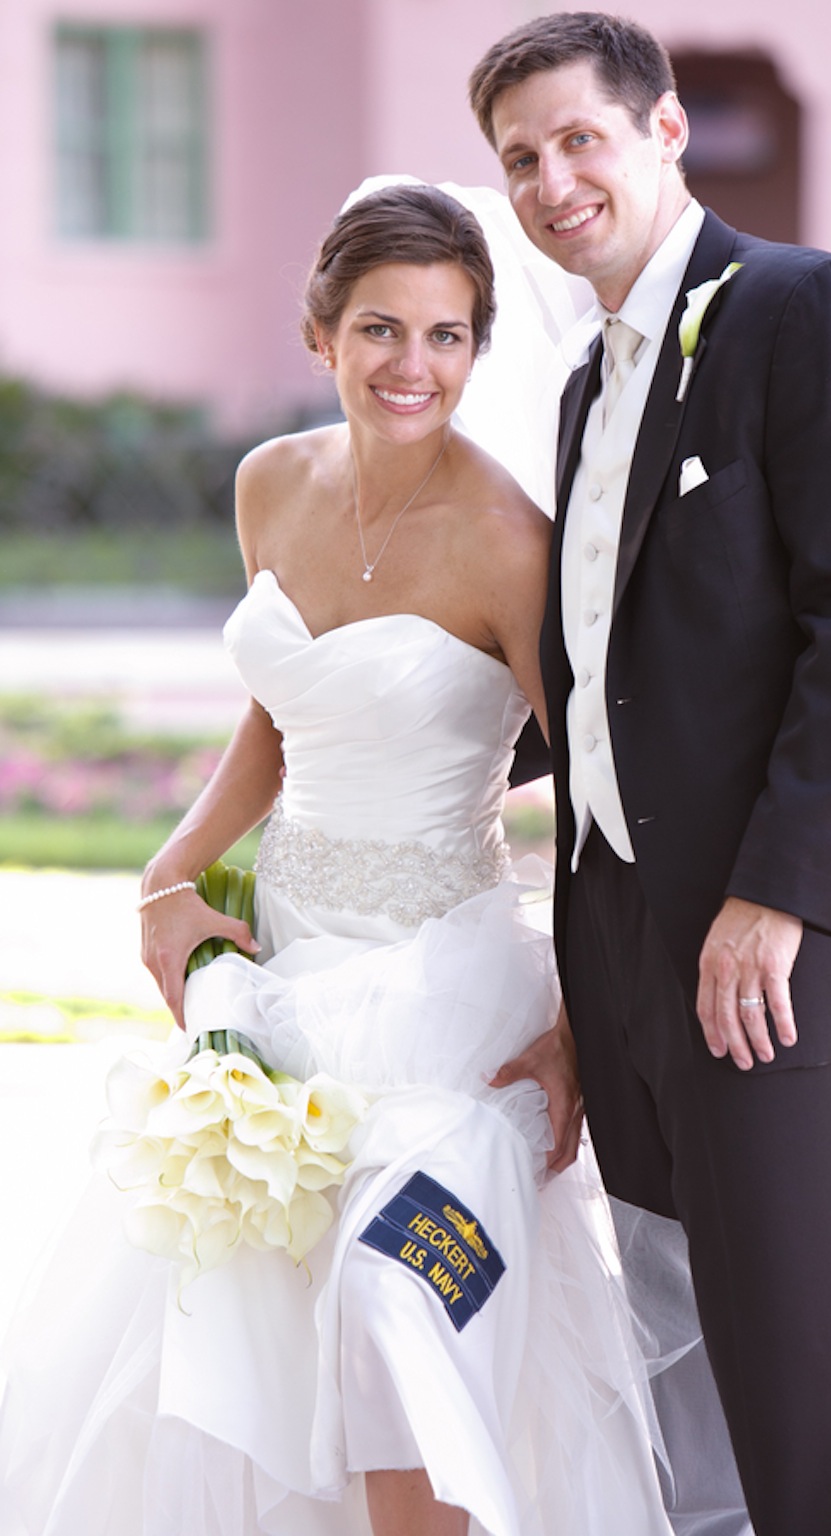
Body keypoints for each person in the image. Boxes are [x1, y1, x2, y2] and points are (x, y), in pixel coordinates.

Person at [0, 184, 678, 1536]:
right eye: (380, 330)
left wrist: (579, 1037)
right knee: (245, 1338)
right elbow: (286, 707)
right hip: (287, 981)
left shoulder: (509, 547)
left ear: (480, 349)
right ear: (321, 335)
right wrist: (173, 871)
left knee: (397, 1312)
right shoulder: (272, 485)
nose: (411, 367)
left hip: (447, 1007)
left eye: (446, 336)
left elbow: (606, 810)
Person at [468, 13, 831, 1536]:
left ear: (664, 132)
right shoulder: (589, 387)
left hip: (766, 946)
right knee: (671, 1344)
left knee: (798, 1366)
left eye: (580, 138)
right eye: (521, 158)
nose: (552, 179)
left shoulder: (803, 307)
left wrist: (775, 898)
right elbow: (604, 661)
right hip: (625, 941)